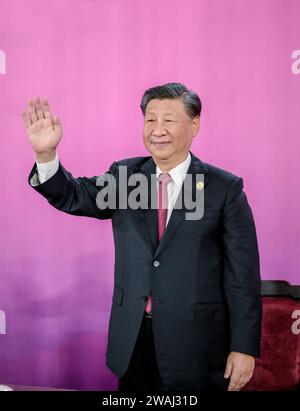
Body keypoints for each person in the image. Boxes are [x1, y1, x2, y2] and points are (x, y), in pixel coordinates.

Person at [21, 82, 262, 391]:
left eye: (169, 120)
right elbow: (74, 195)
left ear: (195, 124)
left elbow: (242, 276)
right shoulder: (126, 177)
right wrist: (46, 156)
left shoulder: (224, 188)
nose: (157, 129)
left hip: (197, 344)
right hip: (133, 340)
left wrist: (244, 347)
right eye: (150, 119)